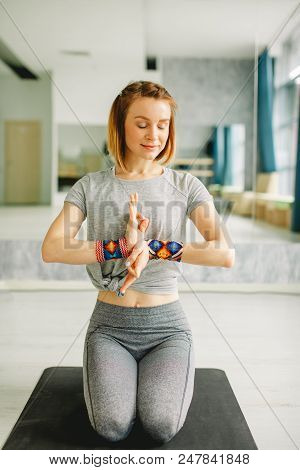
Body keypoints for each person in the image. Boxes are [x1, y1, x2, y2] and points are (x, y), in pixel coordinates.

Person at [41, 80, 235, 444]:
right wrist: (118, 247)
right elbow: (52, 248)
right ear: (120, 124)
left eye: (163, 124)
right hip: (110, 327)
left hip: (167, 329)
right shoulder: (90, 186)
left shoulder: (186, 185)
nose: (154, 134)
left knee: (161, 424)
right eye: (142, 123)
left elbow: (224, 252)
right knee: (112, 426)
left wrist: (157, 248)